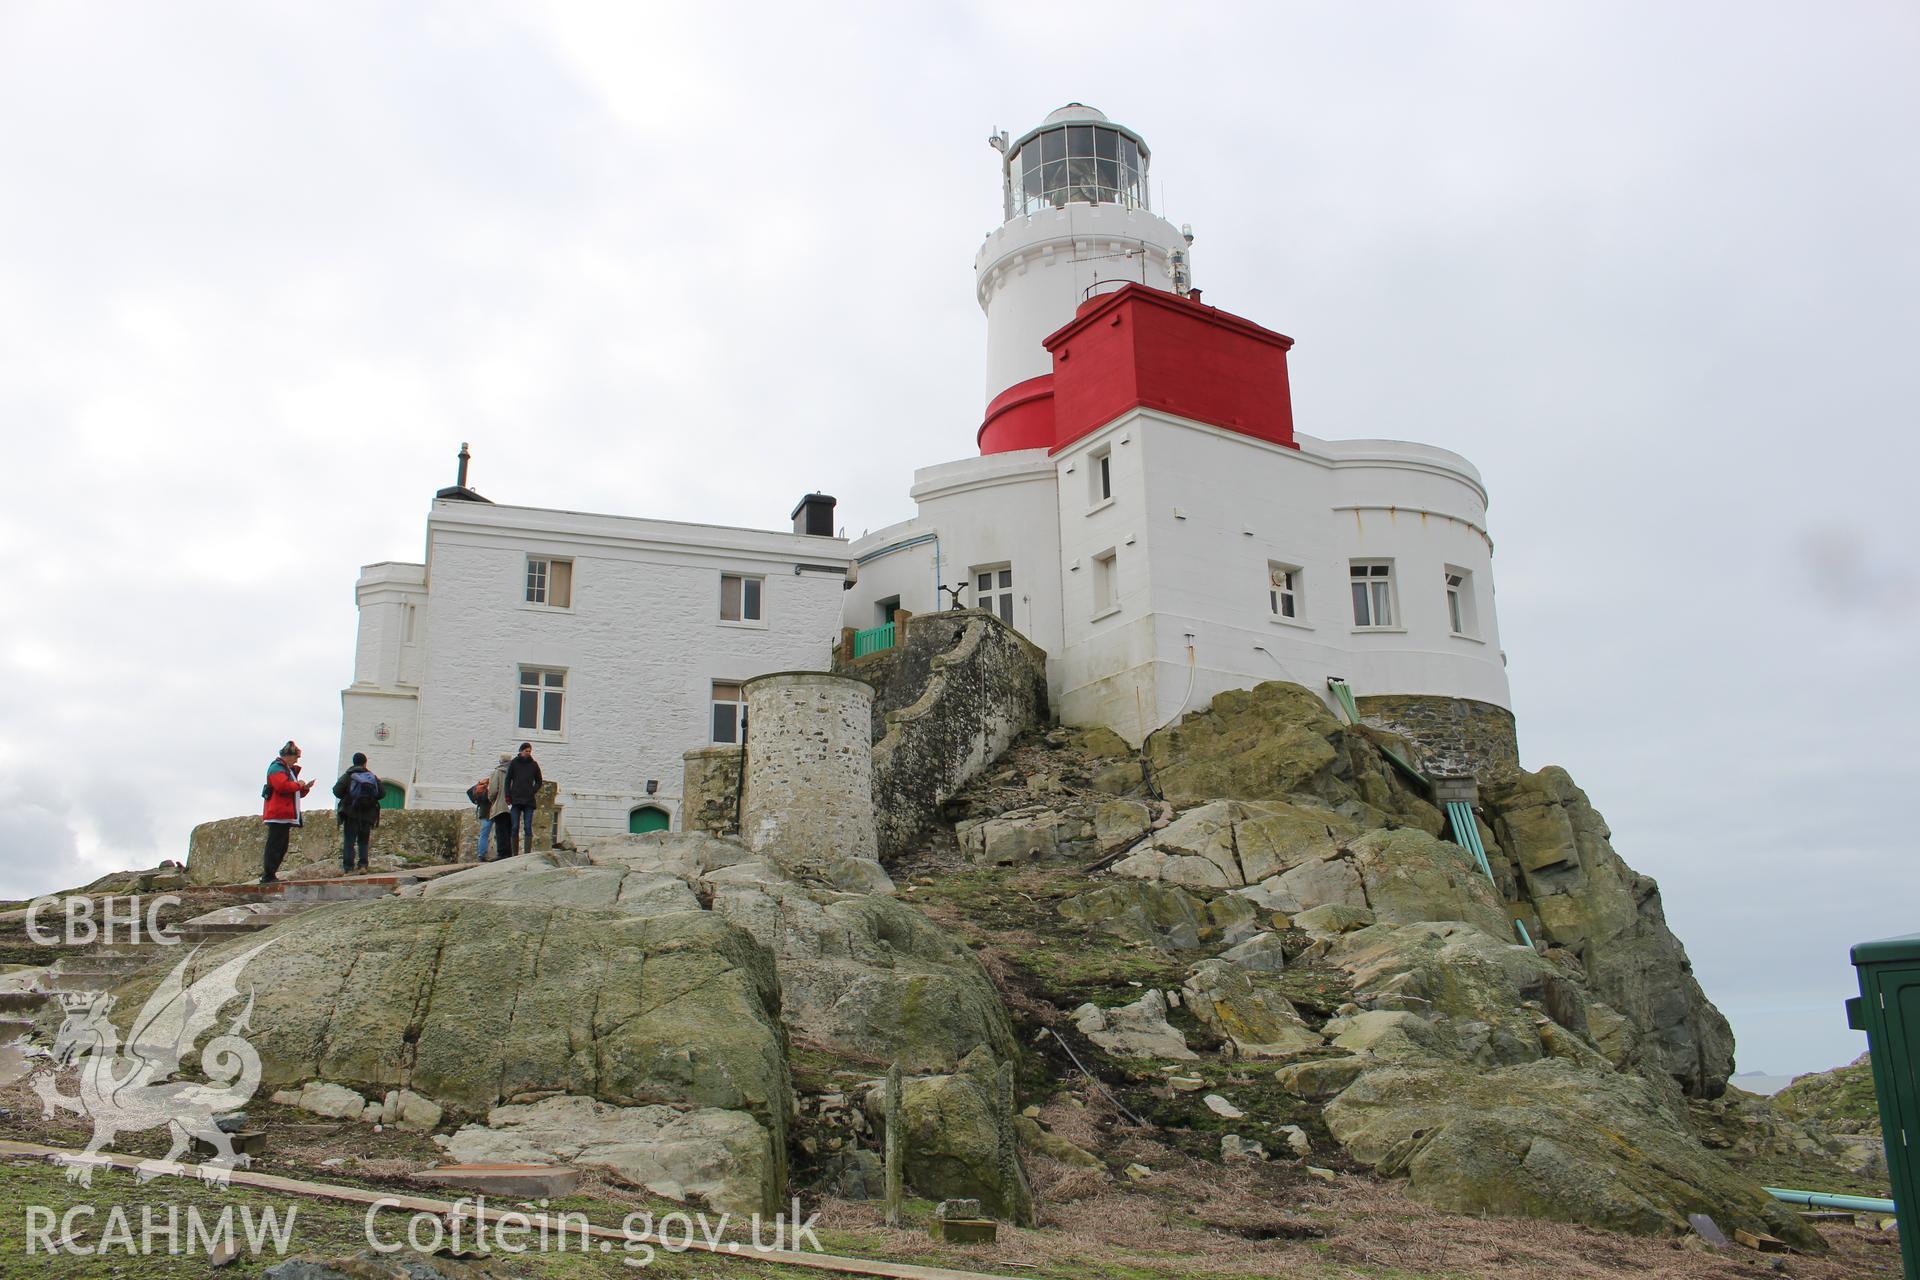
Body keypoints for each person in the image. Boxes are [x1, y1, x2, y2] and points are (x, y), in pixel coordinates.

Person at [261, 741, 315, 884]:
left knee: (281, 846)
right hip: (278, 813)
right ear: (288, 756)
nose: (297, 760)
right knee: (275, 845)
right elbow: (282, 786)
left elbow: (292, 791)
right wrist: (299, 785)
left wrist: (304, 788)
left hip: (284, 814)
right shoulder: (277, 768)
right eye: (296, 757)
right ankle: (268, 876)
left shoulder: (287, 769)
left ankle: (271, 875)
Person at [331, 752, 382, 874]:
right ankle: (363, 865)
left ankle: (348, 868)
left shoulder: (348, 775)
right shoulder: (371, 776)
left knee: (349, 840)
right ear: (365, 762)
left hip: (351, 813)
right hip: (368, 814)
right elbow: (382, 793)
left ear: (353, 762)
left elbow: (336, 791)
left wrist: (348, 795)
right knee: (363, 841)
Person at [505, 741, 544, 854]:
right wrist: (507, 794)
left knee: (527, 827)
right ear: (521, 751)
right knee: (515, 827)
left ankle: (527, 853)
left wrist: (533, 790)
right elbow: (508, 780)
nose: (528, 753)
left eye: (529, 751)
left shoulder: (534, 765)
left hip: (529, 800)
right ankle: (514, 853)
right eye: (526, 751)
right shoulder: (514, 763)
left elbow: (539, 781)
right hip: (516, 799)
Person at [487, 753, 515, 857]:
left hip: (500, 805)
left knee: (500, 830)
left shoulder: (497, 772)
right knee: (510, 830)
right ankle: (510, 852)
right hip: (512, 806)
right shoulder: (514, 772)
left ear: (500, 761)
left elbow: (493, 790)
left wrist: (491, 799)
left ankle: (502, 853)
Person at [466, 774, 495, 861]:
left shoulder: (480, 787)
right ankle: (498, 853)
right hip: (494, 811)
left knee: (484, 834)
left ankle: (481, 855)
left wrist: (476, 801)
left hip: (484, 812)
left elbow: (469, 792)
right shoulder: (492, 786)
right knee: (498, 833)